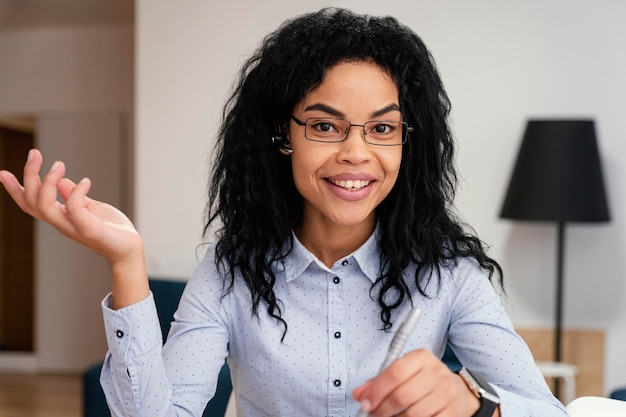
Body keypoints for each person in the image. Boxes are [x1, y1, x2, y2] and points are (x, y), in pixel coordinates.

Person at [0, 7, 568, 417]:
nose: (356, 152)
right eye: (325, 125)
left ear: (406, 142)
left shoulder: (448, 275)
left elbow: (549, 414)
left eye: (382, 128)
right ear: (282, 137)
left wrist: (478, 410)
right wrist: (126, 263)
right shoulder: (231, 271)